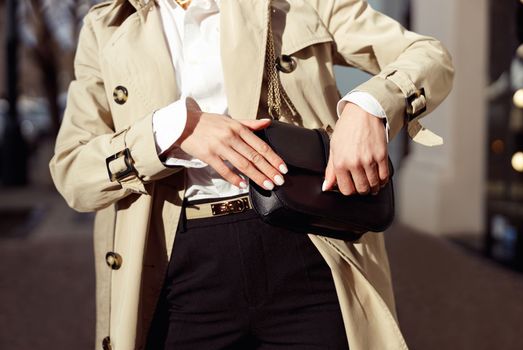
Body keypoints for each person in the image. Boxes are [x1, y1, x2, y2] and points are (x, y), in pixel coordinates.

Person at [49, 0, 454, 349]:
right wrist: (171, 131)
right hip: (181, 259)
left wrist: (370, 106)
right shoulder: (107, 27)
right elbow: (73, 171)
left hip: (305, 243)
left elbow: (428, 55)